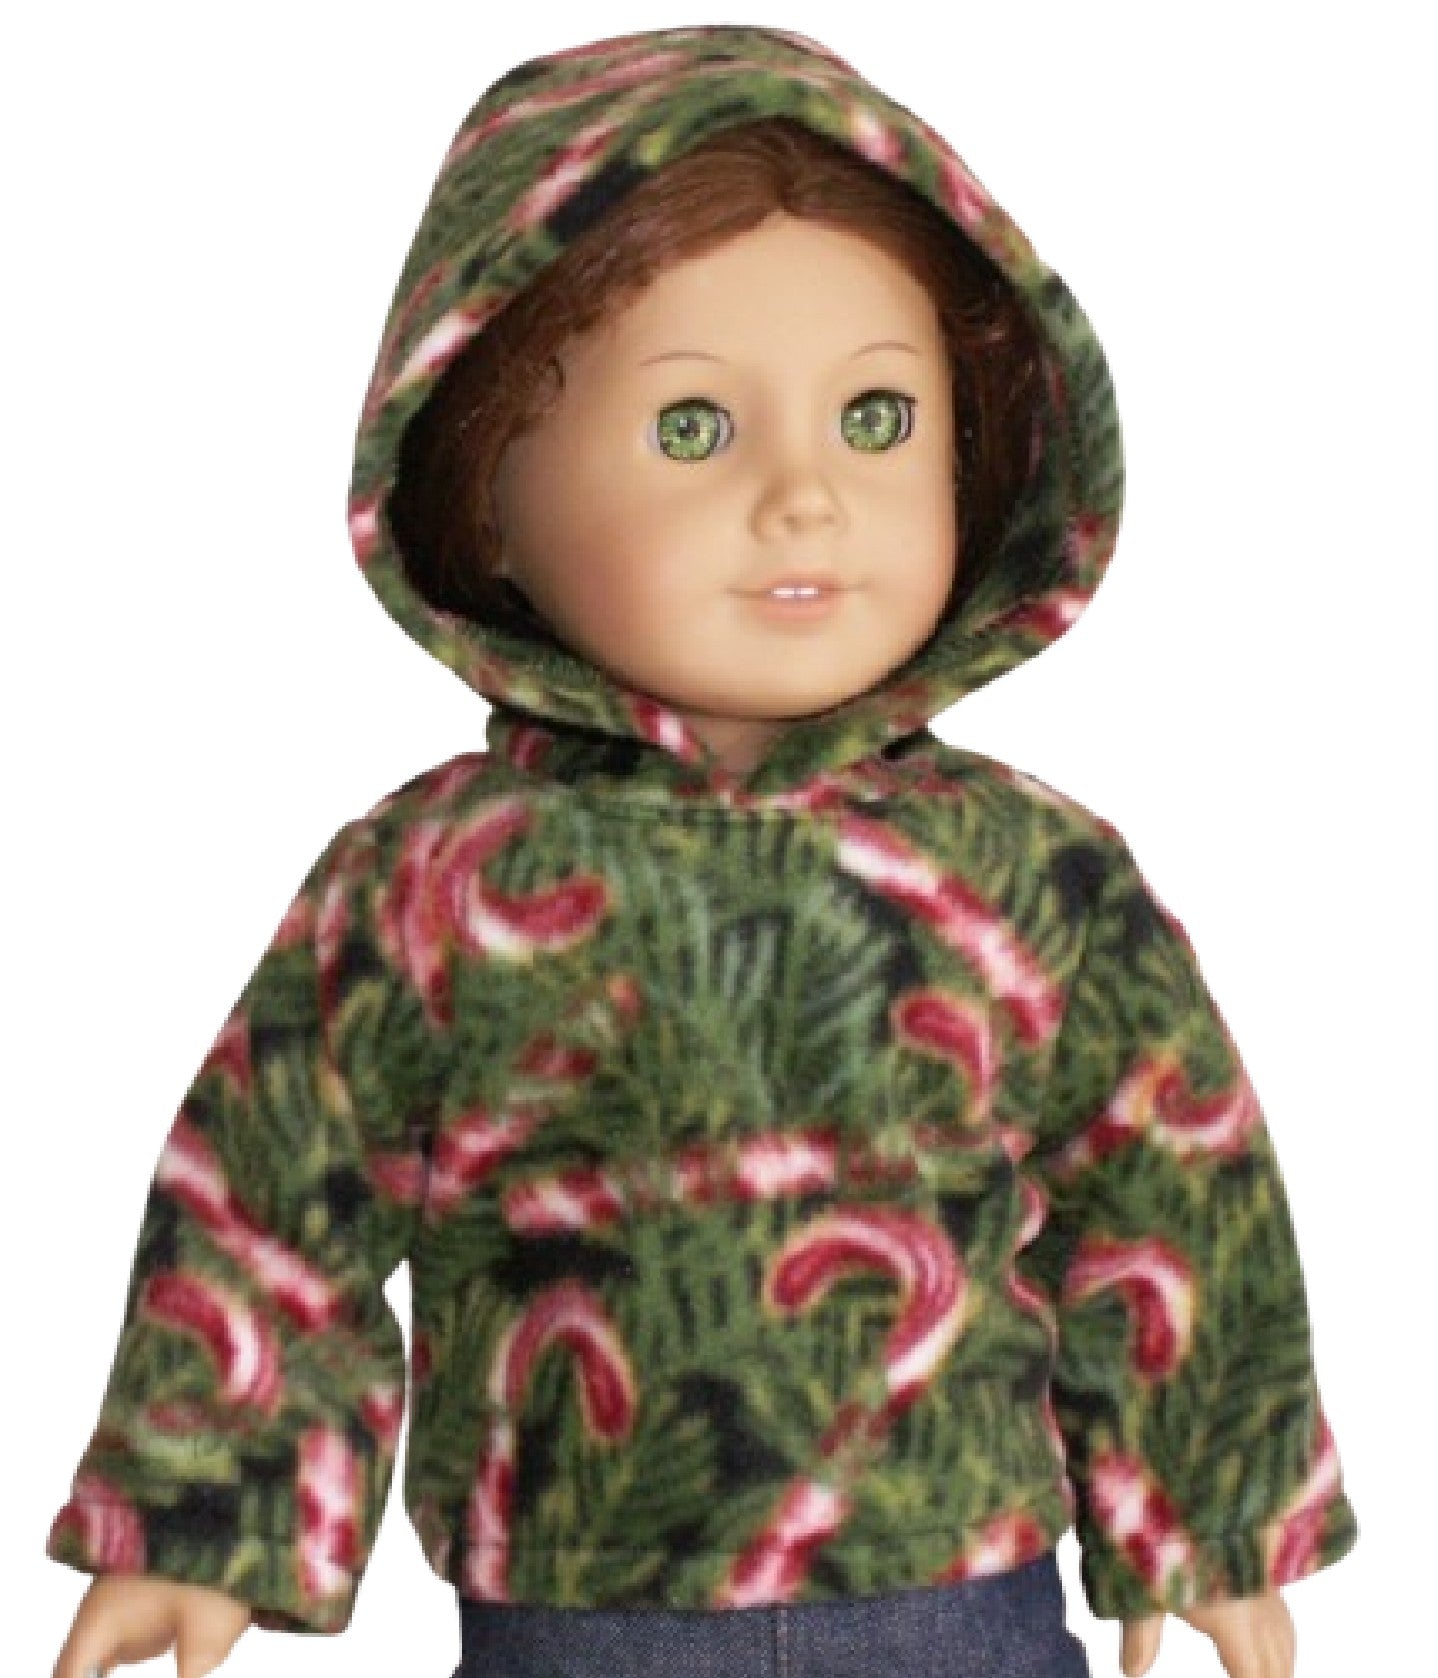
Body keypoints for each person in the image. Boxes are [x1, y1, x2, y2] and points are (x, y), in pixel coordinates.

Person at [45, 23, 1358, 1678]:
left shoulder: (1033, 878)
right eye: (692, 428)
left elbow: (1169, 1185)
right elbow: (268, 1195)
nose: (804, 497)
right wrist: (197, 1520)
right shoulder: (435, 889)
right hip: (582, 1609)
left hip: (957, 1592)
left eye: (875, 415)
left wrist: (1209, 1515)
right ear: (485, 488)